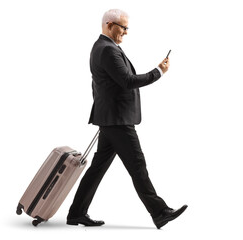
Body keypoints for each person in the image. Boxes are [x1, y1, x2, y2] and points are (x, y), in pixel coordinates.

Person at [67, 9, 187, 229]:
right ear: (109, 24)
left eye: (126, 28)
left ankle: (76, 213)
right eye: (123, 27)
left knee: (97, 168)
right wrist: (158, 71)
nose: (126, 32)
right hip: (117, 120)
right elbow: (127, 81)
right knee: (137, 165)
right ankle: (160, 212)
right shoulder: (107, 50)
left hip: (110, 118)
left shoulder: (103, 47)